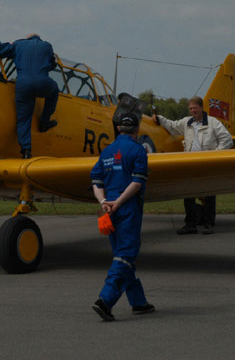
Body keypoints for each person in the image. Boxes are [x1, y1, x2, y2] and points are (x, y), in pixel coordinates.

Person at [90, 113, 154, 321]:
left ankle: (139, 303)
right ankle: (105, 301)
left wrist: (104, 203)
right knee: (126, 255)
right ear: (137, 131)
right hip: (126, 209)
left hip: (107, 210)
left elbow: (96, 181)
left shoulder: (106, 151)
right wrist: (118, 203)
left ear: (118, 129)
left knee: (121, 254)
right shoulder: (137, 150)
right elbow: (136, 183)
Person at [152, 96, 233, 235]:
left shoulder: (213, 123)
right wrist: (159, 119)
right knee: (188, 195)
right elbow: (172, 125)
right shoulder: (186, 122)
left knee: (208, 195)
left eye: (195, 108)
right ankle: (190, 224)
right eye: (190, 109)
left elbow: (227, 139)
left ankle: (208, 224)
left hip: (206, 163)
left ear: (201, 108)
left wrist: (215, 155)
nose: (193, 111)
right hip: (190, 163)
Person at [0, 30, 59, 159]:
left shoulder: (18, 45)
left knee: (23, 118)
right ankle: (45, 121)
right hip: (42, 82)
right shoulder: (47, 46)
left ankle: (26, 150)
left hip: (23, 84)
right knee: (54, 91)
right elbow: (51, 64)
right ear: (38, 38)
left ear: (27, 39)